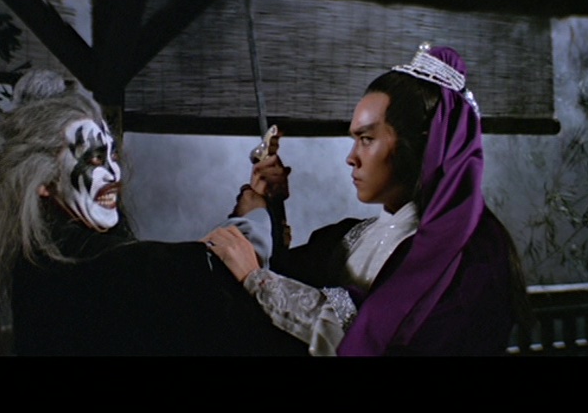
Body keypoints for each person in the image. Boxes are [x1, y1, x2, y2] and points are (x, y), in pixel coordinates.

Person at [204, 42, 534, 356]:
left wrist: (259, 282)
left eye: (366, 139)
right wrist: (268, 201)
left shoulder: (471, 256)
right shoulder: (353, 237)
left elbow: (383, 343)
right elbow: (287, 282)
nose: (351, 158)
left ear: (422, 145)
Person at [0, 69, 308, 355]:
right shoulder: (87, 268)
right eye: (94, 159)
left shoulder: (45, 258)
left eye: (111, 155)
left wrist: (256, 204)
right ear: (43, 180)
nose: (114, 173)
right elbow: (222, 271)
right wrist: (256, 204)